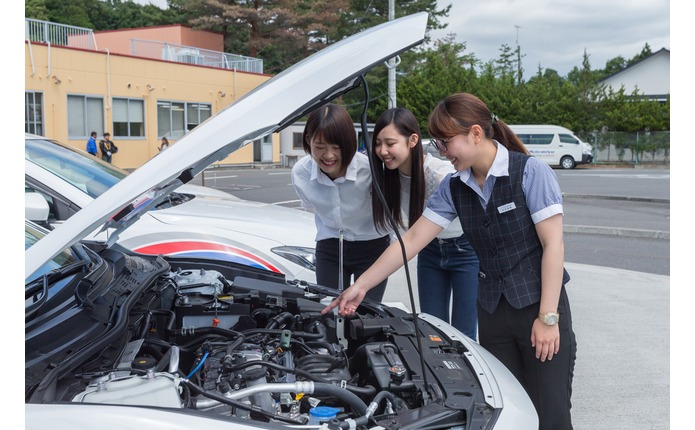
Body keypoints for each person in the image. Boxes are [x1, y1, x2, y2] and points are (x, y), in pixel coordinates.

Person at [322, 93, 577, 430]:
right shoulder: (455, 186)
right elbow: (413, 239)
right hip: (492, 314)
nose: (442, 151)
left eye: (445, 142)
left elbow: (553, 245)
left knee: (551, 415)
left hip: (538, 306)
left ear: (474, 133)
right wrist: (361, 286)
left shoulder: (530, 172)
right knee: (509, 415)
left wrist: (548, 317)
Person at [370, 107, 480, 339]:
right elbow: (405, 237)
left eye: (390, 143)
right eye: (378, 143)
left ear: (413, 140)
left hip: (465, 250)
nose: (382, 151)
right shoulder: (387, 177)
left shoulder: (440, 174)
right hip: (429, 250)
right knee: (432, 330)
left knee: (464, 333)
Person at [291, 103, 390, 302]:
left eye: (337, 148)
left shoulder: (371, 171)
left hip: (373, 248)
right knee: (329, 310)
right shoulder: (300, 173)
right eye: (319, 147)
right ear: (309, 140)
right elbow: (312, 207)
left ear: (349, 143)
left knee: (366, 315)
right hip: (330, 247)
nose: (328, 156)